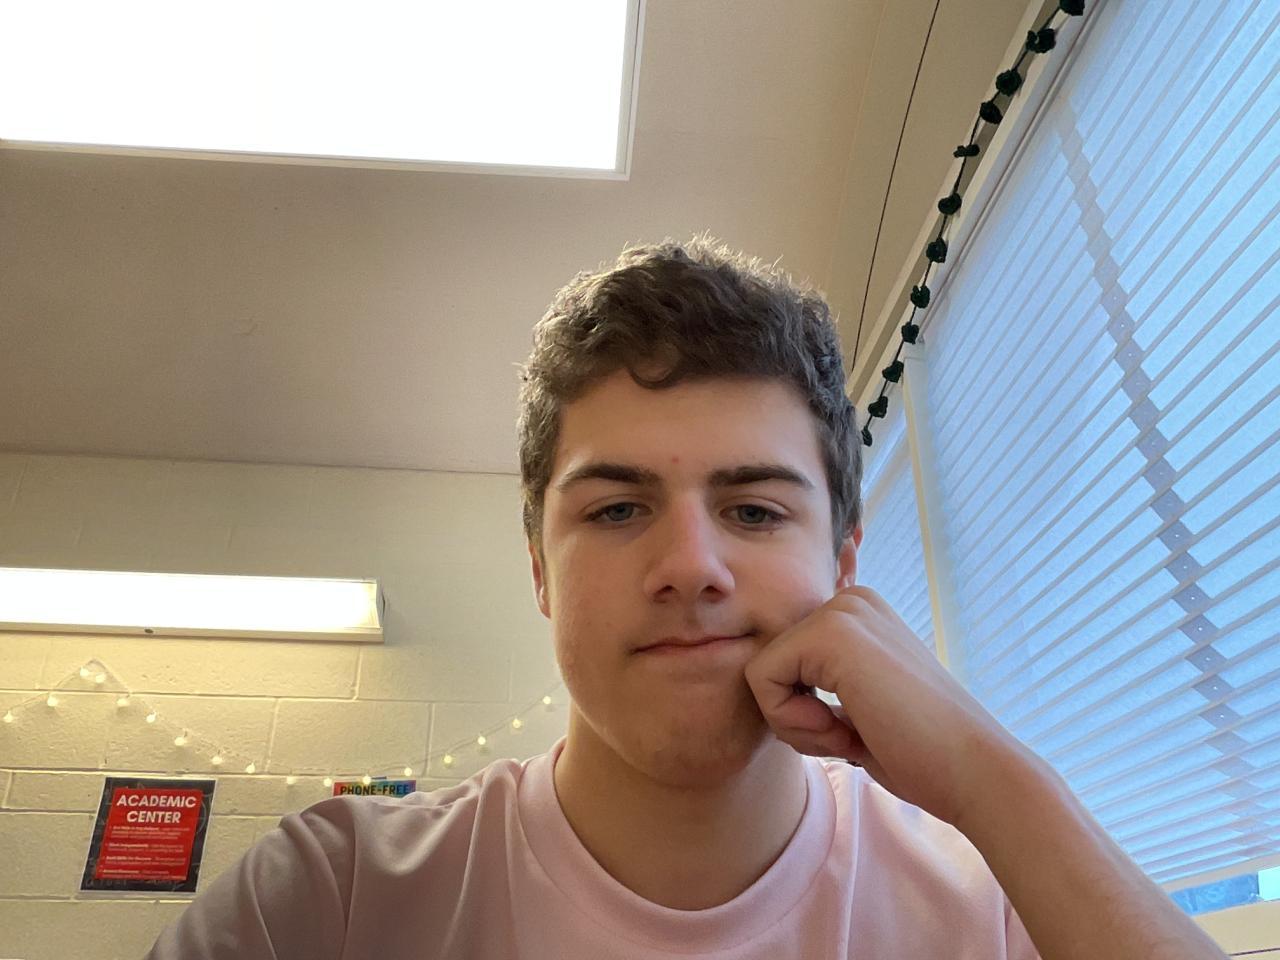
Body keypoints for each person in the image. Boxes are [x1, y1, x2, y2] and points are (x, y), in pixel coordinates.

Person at [147, 235, 1226, 959]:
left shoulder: (996, 903)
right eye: (617, 509)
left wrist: (993, 780)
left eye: (753, 510)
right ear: (538, 568)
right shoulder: (333, 898)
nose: (691, 565)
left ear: (843, 567)